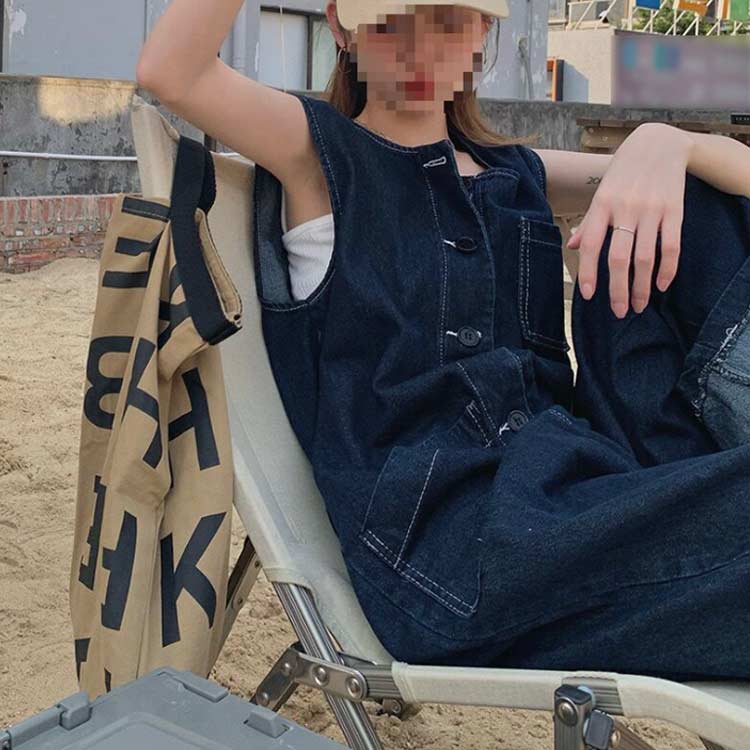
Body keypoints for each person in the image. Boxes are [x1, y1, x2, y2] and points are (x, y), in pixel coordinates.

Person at [137, 0, 750, 681]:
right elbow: (172, 72)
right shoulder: (318, 154)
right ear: (342, 27)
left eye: (450, 22)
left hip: (583, 480)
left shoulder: (514, 170)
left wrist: (669, 143)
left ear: (483, 31)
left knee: (694, 203)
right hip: (457, 554)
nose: (421, 48)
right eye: (394, 22)